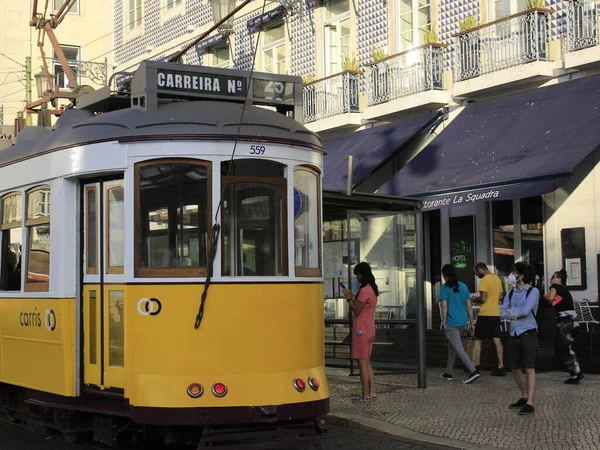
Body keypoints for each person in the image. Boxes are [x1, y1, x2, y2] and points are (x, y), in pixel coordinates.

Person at [501, 262, 540, 415]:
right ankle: (523, 396)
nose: (511, 274)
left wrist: (511, 310)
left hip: (528, 333)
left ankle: (530, 402)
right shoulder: (510, 292)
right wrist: (511, 311)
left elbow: (525, 311)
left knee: (529, 368)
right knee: (515, 368)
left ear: (521, 276)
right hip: (514, 333)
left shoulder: (533, 291)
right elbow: (502, 312)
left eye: (514, 272)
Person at [343, 262, 378, 402]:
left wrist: (348, 298)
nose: (357, 277)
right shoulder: (372, 289)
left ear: (362, 274)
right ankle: (372, 391)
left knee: (362, 363)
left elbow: (356, 310)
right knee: (367, 362)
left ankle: (365, 394)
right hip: (370, 328)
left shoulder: (364, 290)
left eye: (357, 274)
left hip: (361, 330)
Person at [439, 264, 480, 384]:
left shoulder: (444, 288)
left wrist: (444, 321)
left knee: (458, 348)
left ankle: (473, 371)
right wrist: (472, 323)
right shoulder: (464, 286)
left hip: (451, 322)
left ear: (444, 275)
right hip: (463, 321)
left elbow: (444, 306)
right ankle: (448, 372)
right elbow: (469, 306)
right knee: (452, 347)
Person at [545, 269, 584, 384]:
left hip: (564, 321)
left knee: (564, 348)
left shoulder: (554, 286)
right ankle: (575, 373)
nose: (551, 279)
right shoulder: (566, 290)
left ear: (558, 279)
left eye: (553, 277)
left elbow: (550, 300)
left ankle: (576, 374)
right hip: (574, 320)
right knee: (568, 347)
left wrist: (544, 300)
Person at [473, 262, 506, 376]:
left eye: (477, 273)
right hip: (495, 313)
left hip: (485, 314)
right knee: (497, 339)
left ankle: (474, 366)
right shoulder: (497, 278)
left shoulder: (485, 280)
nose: (477, 275)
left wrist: (474, 299)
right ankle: (501, 366)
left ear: (480, 270)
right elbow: (501, 296)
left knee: (478, 339)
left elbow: (483, 298)